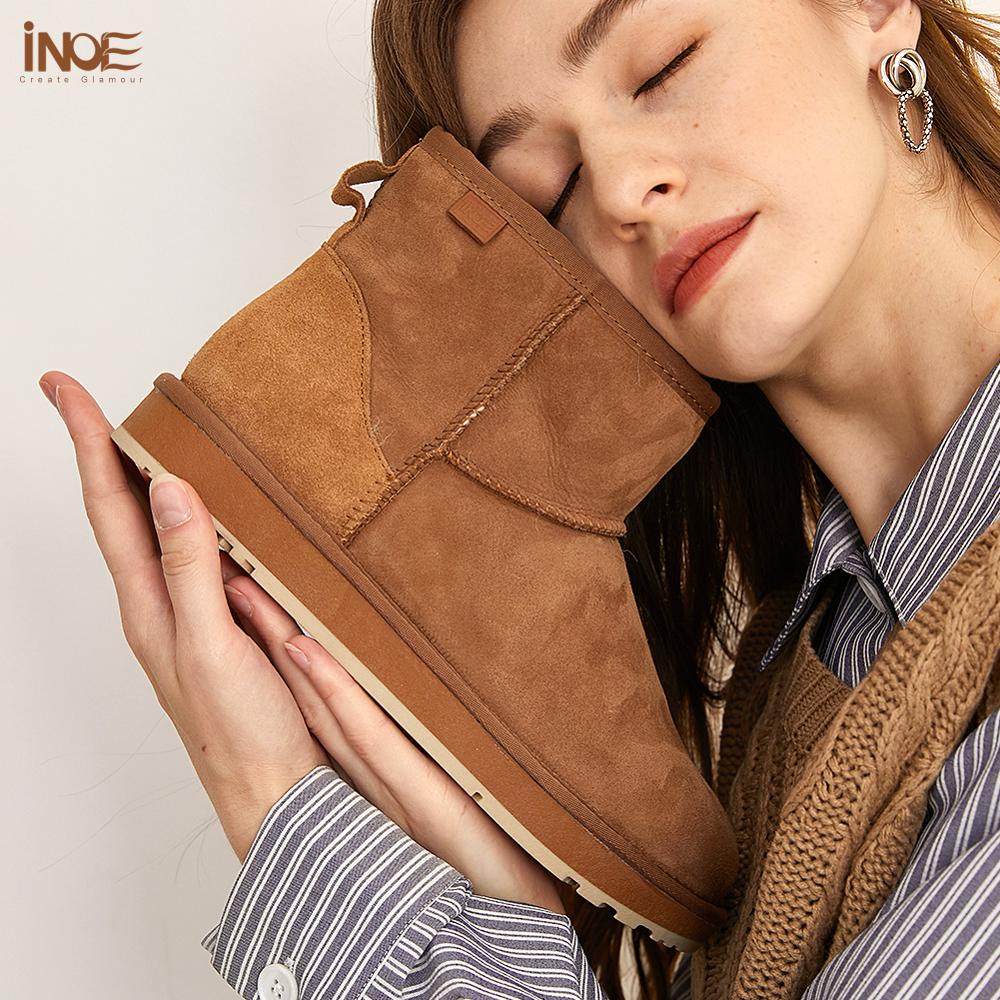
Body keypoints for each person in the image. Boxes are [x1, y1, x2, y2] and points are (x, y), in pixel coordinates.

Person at [39, 0, 1000, 996]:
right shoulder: (809, 656)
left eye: (663, 65)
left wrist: (286, 808)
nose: (621, 190)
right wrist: (506, 923)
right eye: (550, 189)